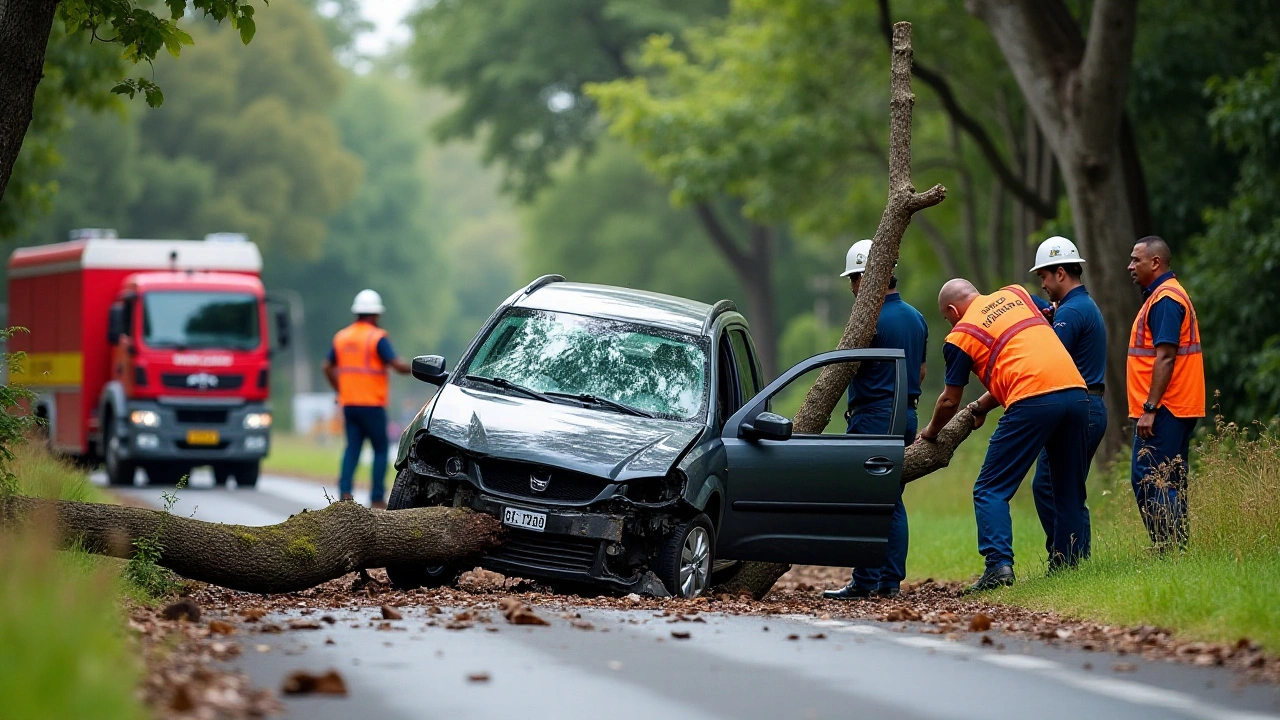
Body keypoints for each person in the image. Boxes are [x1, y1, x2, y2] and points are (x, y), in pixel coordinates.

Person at [919, 279, 1089, 592]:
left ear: (954, 310)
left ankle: (999, 565)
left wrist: (931, 431)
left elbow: (948, 400)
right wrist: (984, 405)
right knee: (1067, 487)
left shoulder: (960, 335)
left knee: (990, 489)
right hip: (1077, 392)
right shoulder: (1016, 293)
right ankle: (1072, 567)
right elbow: (1024, 353)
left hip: (1032, 400)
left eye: (947, 317)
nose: (950, 322)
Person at [824, 240, 928, 601]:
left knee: (873, 500)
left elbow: (850, 368)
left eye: (855, 278)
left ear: (871, 277)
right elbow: (922, 371)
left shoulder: (869, 320)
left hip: (873, 417)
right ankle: (887, 581)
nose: (853, 288)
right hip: (907, 415)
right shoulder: (916, 318)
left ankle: (869, 580)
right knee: (892, 499)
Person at [1026, 236, 1107, 562]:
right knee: (1063, 487)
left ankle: (1066, 558)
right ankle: (1075, 558)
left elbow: (1051, 358)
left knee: (1050, 487)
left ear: (1061, 273)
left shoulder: (1071, 313)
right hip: (1090, 406)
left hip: (1082, 408)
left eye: (1044, 276)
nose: (1043, 284)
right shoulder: (1080, 307)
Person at [1125, 236, 1205, 549]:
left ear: (1155, 262)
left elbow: (1166, 356)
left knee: (1150, 478)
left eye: (1136, 260)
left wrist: (1150, 407)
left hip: (1167, 407)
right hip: (1175, 405)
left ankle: (1168, 548)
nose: (1130, 267)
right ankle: (1176, 549)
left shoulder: (1165, 299)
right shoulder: (1163, 296)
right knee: (1169, 479)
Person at [323, 289, 411, 509]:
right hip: (372, 405)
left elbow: (326, 366)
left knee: (352, 448)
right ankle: (376, 497)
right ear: (375, 315)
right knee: (380, 449)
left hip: (350, 404)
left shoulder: (342, 337)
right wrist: (414, 368)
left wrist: (340, 389)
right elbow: (396, 365)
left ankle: (344, 494)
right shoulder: (376, 337)